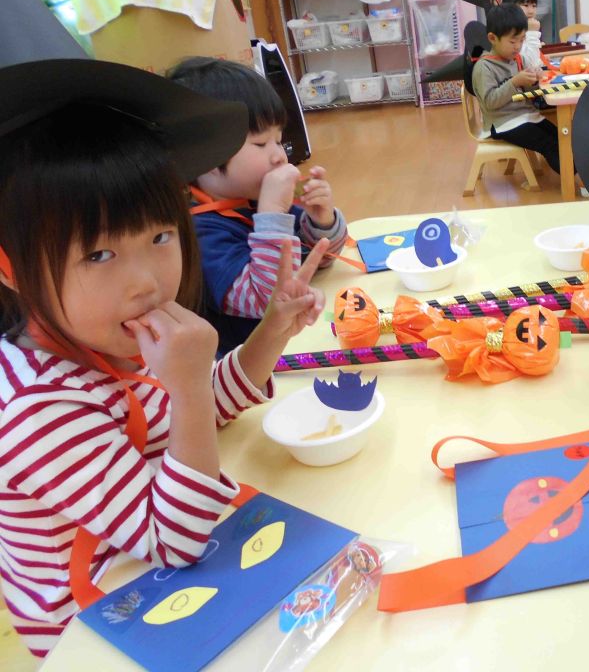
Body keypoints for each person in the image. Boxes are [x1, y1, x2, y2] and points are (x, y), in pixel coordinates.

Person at [0, 59, 329, 658]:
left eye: (159, 237)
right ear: (12, 271)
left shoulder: (104, 337)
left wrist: (272, 330)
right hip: (99, 624)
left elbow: (199, 410)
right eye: (98, 255)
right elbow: (175, 537)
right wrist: (190, 390)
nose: (147, 282)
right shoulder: (36, 409)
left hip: (162, 553)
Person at [166, 57, 347, 354]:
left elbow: (321, 261)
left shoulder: (253, 200)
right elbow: (269, 303)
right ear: (205, 157)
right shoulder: (199, 233)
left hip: (292, 345)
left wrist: (320, 222)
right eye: (261, 144)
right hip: (247, 368)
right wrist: (273, 214)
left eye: (279, 140)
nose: (279, 156)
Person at [471, 3, 559, 173]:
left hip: (526, 116)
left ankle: (579, 173)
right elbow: (490, 102)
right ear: (492, 38)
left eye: (522, 40)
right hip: (502, 123)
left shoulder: (519, 59)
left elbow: (526, 93)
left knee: (560, 136)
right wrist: (514, 82)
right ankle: (573, 178)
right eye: (512, 41)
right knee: (548, 144)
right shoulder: (484, 67)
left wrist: (534, 80)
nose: (518, 46)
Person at [499, 0, 543, 71]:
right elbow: (530, 66)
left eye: (534, 6)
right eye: (526, 5)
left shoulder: (528, 27)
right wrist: (532, 33)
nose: (531, 11)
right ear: (510, 5)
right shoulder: (508, 32)